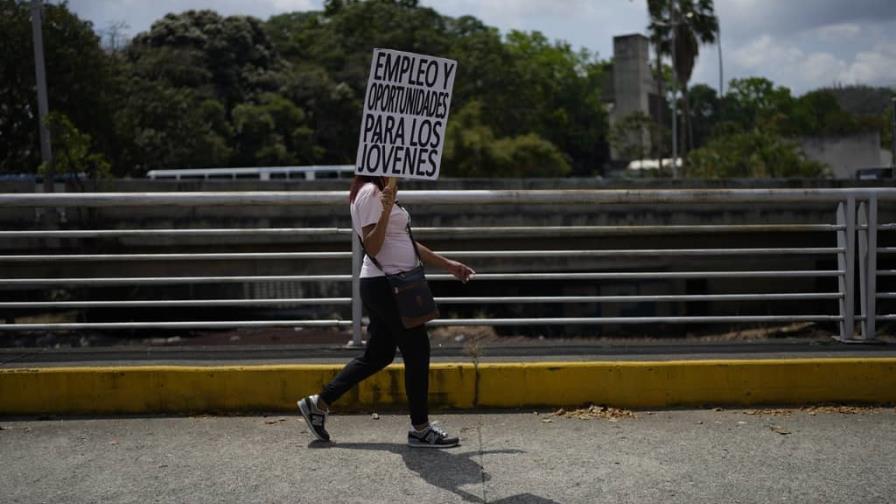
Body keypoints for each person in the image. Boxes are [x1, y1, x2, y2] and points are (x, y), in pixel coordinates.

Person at [298, 175, 475, 448]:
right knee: (417, 350)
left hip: (388, 284)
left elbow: (403, 241)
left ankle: (318, 404)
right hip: (387, 285)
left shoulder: (383, 190)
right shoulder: (370, 193)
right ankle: (420, 429)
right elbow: (372, 245)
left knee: (378, 355)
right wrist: (386, 208)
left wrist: (447, 264)